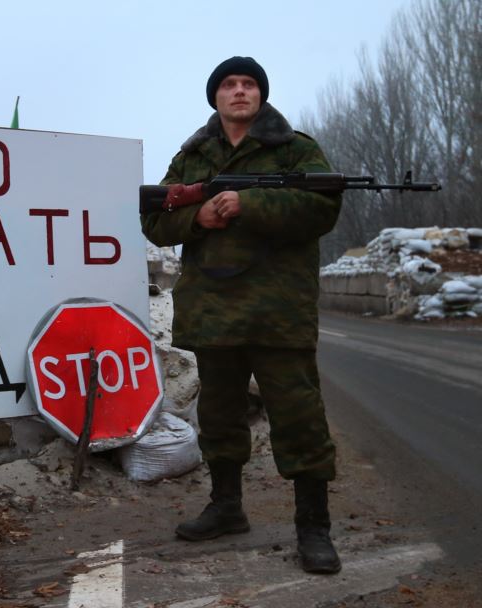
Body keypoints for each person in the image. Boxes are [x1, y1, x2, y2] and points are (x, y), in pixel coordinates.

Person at [140, 56, 343, 574]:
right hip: (215, 313)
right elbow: (155, 219)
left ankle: (313, 527)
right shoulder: (193, 154)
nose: (238, 92)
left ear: (261, 95)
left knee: (300, 419)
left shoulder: (295, 148)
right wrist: (201, 216)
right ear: (215, 96)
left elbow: (323, 208)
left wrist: (248, 205)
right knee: (219, 417)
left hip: (279, 313)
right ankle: (227, 507)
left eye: (248, 84)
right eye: (229, 85)